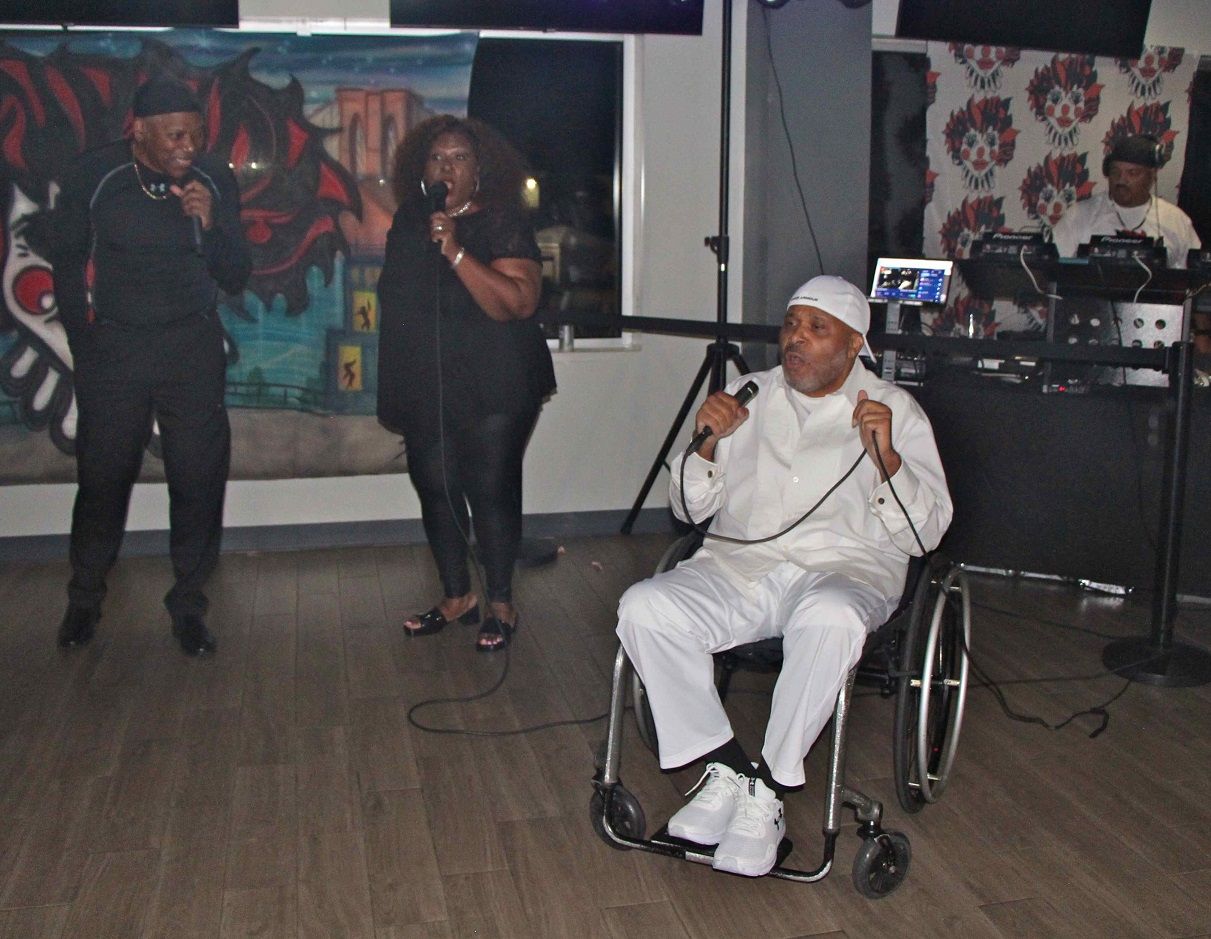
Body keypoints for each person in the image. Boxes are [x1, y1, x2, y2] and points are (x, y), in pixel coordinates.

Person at [616, 276, 952, 877]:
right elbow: (687, 510)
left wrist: (889, 461)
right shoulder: (745, 395)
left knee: (830, 616)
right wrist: (705, 446)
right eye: (792, 324)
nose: (796, 338)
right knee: (644, 606)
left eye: (817, 328)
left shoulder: (894, 411)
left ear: (854, 345)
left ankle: (767, 792)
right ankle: (726, 771)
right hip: (740, 568)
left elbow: (924, 536)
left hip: (842, 575)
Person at [51, 76, 251, 656]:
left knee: (197, 479)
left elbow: (236, 273)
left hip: (191, 346)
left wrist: (211, 224)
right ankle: (84, 598)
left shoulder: (213, 178)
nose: (189, 146)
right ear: (139, 131)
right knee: (103, 479)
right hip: (115, 348)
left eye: (196, 134)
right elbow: (66, 263)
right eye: (175, 135)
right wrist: (85, 347)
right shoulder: (97, 174)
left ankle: (188, 605)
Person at [377, 115, 553, 652]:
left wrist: (455, 251)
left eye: (458, 158)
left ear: (479, 170)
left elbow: (517, 303)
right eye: (437, 158)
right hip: (430, 381)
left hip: (497, 380)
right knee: (434, 484)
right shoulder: (410, 219)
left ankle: (500, 603)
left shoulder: (502, 220)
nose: (446, 168)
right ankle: (457, 597)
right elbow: (395, 302)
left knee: (490, 486)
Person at [1051, 134, 1202, 384]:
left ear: (1152, 176)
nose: (1122, 180)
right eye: (1116, 172)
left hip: (1156, 342)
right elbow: (1052, 270)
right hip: (1088, 340)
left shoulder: (1175, 221)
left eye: (1132, 173)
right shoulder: (1081, 215)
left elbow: (1194, 283)